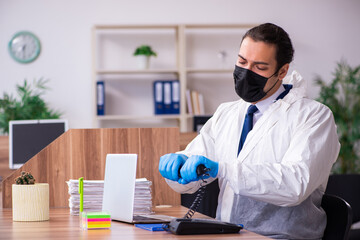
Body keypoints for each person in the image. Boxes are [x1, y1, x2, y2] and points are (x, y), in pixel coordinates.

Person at [158, 23, 340, 239]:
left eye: (259, 67)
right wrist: (180, 166)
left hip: (281, 236)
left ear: (282, 71)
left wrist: (222, 169)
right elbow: (196, 168)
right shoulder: (227, 113)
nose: (246, 72)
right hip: (228, 233)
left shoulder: (314, 116)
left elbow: (295, 184)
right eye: (242, 62)